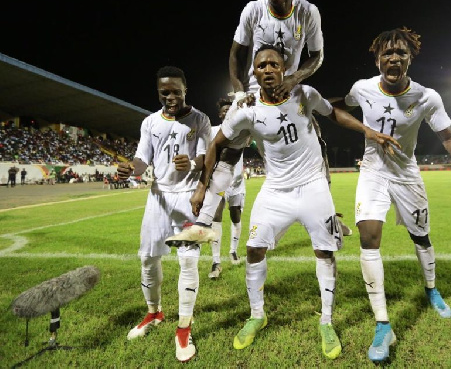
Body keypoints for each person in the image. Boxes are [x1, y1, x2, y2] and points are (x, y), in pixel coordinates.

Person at [185, 45, 398, 360]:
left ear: (284, 68)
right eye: (261, 66)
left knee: (324, 252)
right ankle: (257, 315)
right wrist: (203, 186)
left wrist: (368, 131)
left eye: (273, 63)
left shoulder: (304, 94)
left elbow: (333, 112)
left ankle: (326, 321)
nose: (268, 69)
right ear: (254, 74)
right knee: (254, 249)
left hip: (313, 188)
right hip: (275, 191)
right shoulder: (244, 108)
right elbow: (216, 145)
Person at [333, 27, 451, 362]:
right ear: (377, 58)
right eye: (387, 53)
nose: (394, 58)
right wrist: (303, 102)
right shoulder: (362, 89)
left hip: (407, 176)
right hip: (373, 173)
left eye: (401, 53)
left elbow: (448, 137)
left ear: (410, 58)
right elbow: (338, 105)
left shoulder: (426, 97)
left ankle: (431, 289)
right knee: (368, 235)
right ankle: (382, 325)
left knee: (421, 237)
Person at [168, 0, 331, 243]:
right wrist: (240, 91)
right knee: (228, 150)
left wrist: (294, 78)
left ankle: (329, 216)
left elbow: (317, 56)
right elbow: (235, 55)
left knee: (316, 145)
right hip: (253, 95)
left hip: (287, 90)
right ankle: (202, 222)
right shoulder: (253, 10)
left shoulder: (308, 12)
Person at [116, 66, 213, 363]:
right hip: (157, 198)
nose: (170, 97)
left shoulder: (200, 120)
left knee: (187, 260)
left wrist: (193, 165)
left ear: (186, 89)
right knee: (147, 257)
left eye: (175, 91)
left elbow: (208, 157)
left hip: (186, 201)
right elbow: (142, 158)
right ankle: (154, 312)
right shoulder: (150, 122)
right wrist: (129, 170)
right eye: (164, 92)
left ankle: (184, 328)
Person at [207, 97, 247, 279]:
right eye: (223, 111)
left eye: (228, 110)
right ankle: (216, 262)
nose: (225, 113)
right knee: (216, 217)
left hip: (237, 184)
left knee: (236, 217)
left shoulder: (243, 129)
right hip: (219, 181)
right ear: (219, 114)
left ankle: (233, 251)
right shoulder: (213, 131)